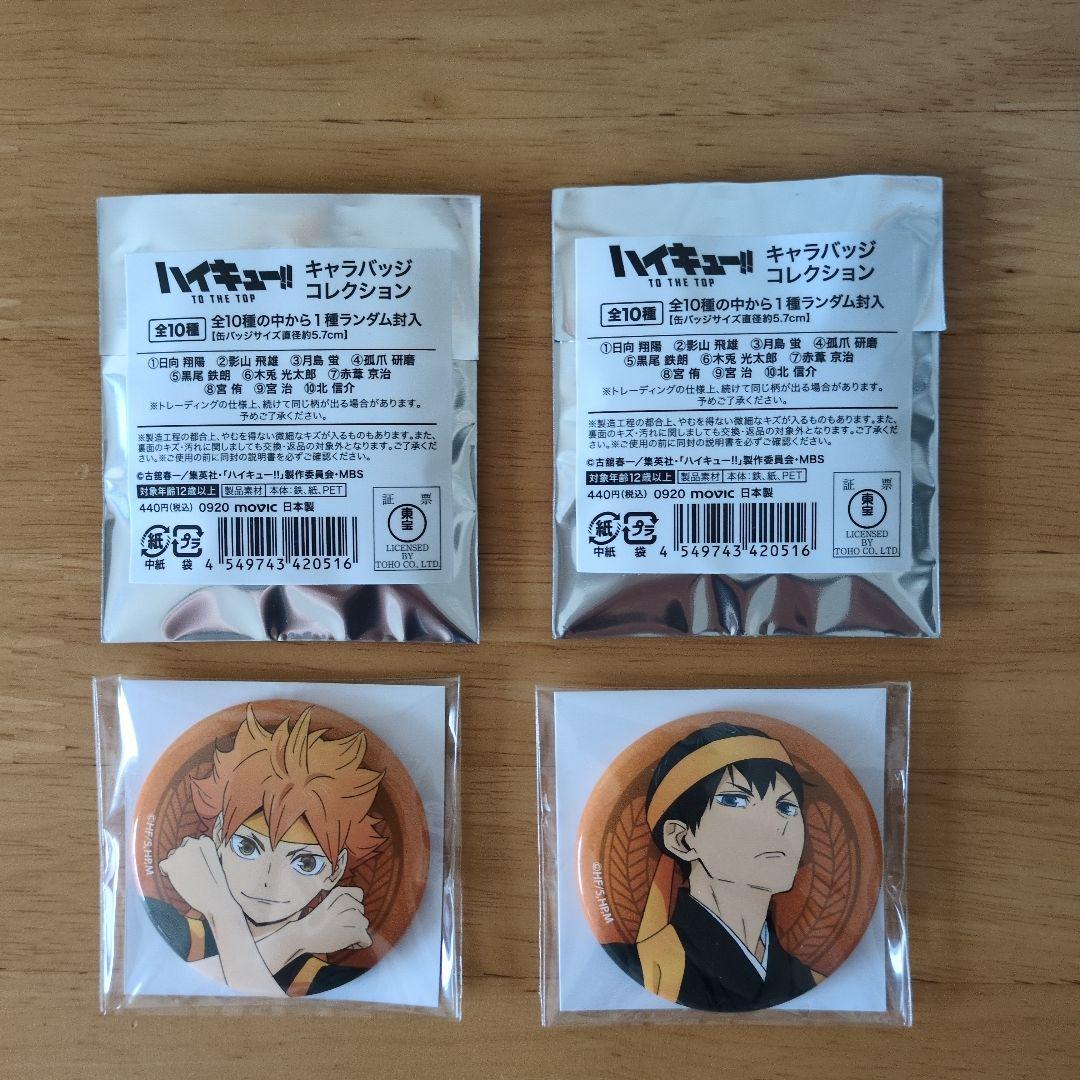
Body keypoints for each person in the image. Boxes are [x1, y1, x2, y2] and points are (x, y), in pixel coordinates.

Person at [145, 704, 385, 997]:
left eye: (305, 862)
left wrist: (221, 909)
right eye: (247, 846)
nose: (267, 880)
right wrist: (298, 937)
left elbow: (204, 988)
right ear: (218, 835)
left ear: (335, 871)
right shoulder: (166, 928)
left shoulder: (334, 980)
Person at [606, 722, 821, 1011]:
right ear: (681, 839)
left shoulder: (811, 982)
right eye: (735, 800)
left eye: (786, 808)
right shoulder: (648, 969)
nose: (775, 825)